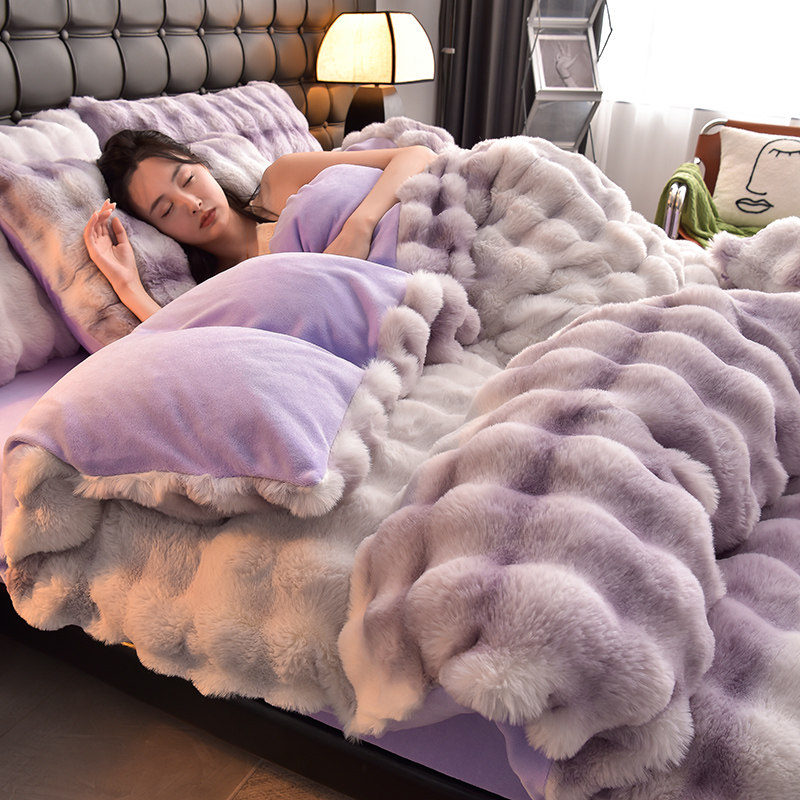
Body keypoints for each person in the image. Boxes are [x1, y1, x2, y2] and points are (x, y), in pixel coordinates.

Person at [83, 129, 436, 322]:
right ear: (158, 232)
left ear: (202, 165)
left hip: (429, 232)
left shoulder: (281, 180)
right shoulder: (221, 288)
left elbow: (417, 155)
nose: (192, 204)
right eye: (167, 210)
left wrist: (359, 227)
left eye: (188, 179)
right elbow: (189, 345)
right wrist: (128, 286)